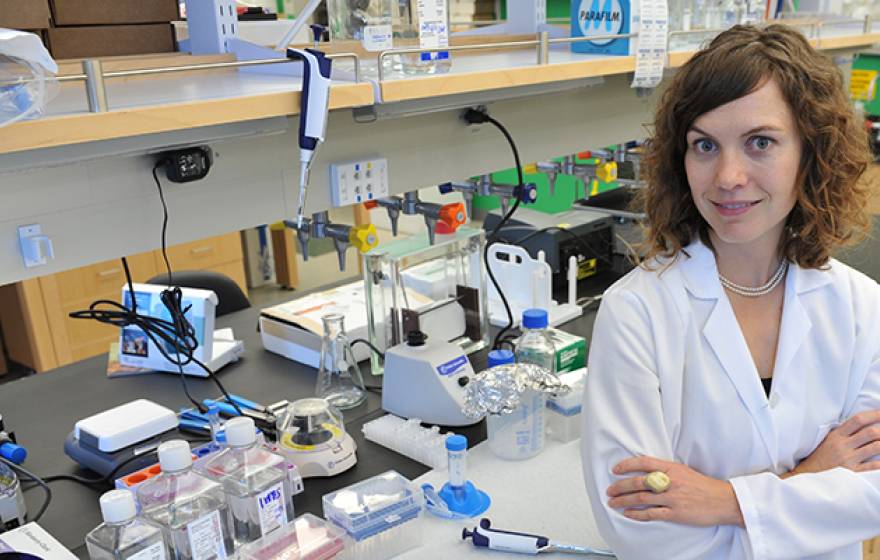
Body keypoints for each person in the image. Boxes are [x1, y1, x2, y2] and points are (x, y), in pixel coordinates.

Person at [580, 24, 880, 559]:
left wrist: (723, 501)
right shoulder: (636, 313)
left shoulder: (860, 307)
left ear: (810, 153)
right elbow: (637, 527)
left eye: (760, 142)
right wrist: (812, 478)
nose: (728, 176)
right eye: (705, 145)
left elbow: (873, 495)